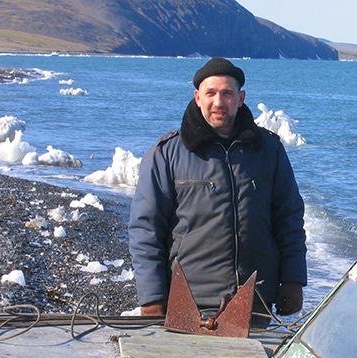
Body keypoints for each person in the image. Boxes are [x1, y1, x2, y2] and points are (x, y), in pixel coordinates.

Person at [129, 57, 307, 320]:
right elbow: (145, 229)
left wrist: (293, 279)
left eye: (227, 93)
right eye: (211, 93)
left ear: (241, 98)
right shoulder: (167, 153)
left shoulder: (268, 150)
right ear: (198, 97)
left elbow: (289, 217)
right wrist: (152, 296)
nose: (219, 102)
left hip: (254, 302)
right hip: (188, 302)